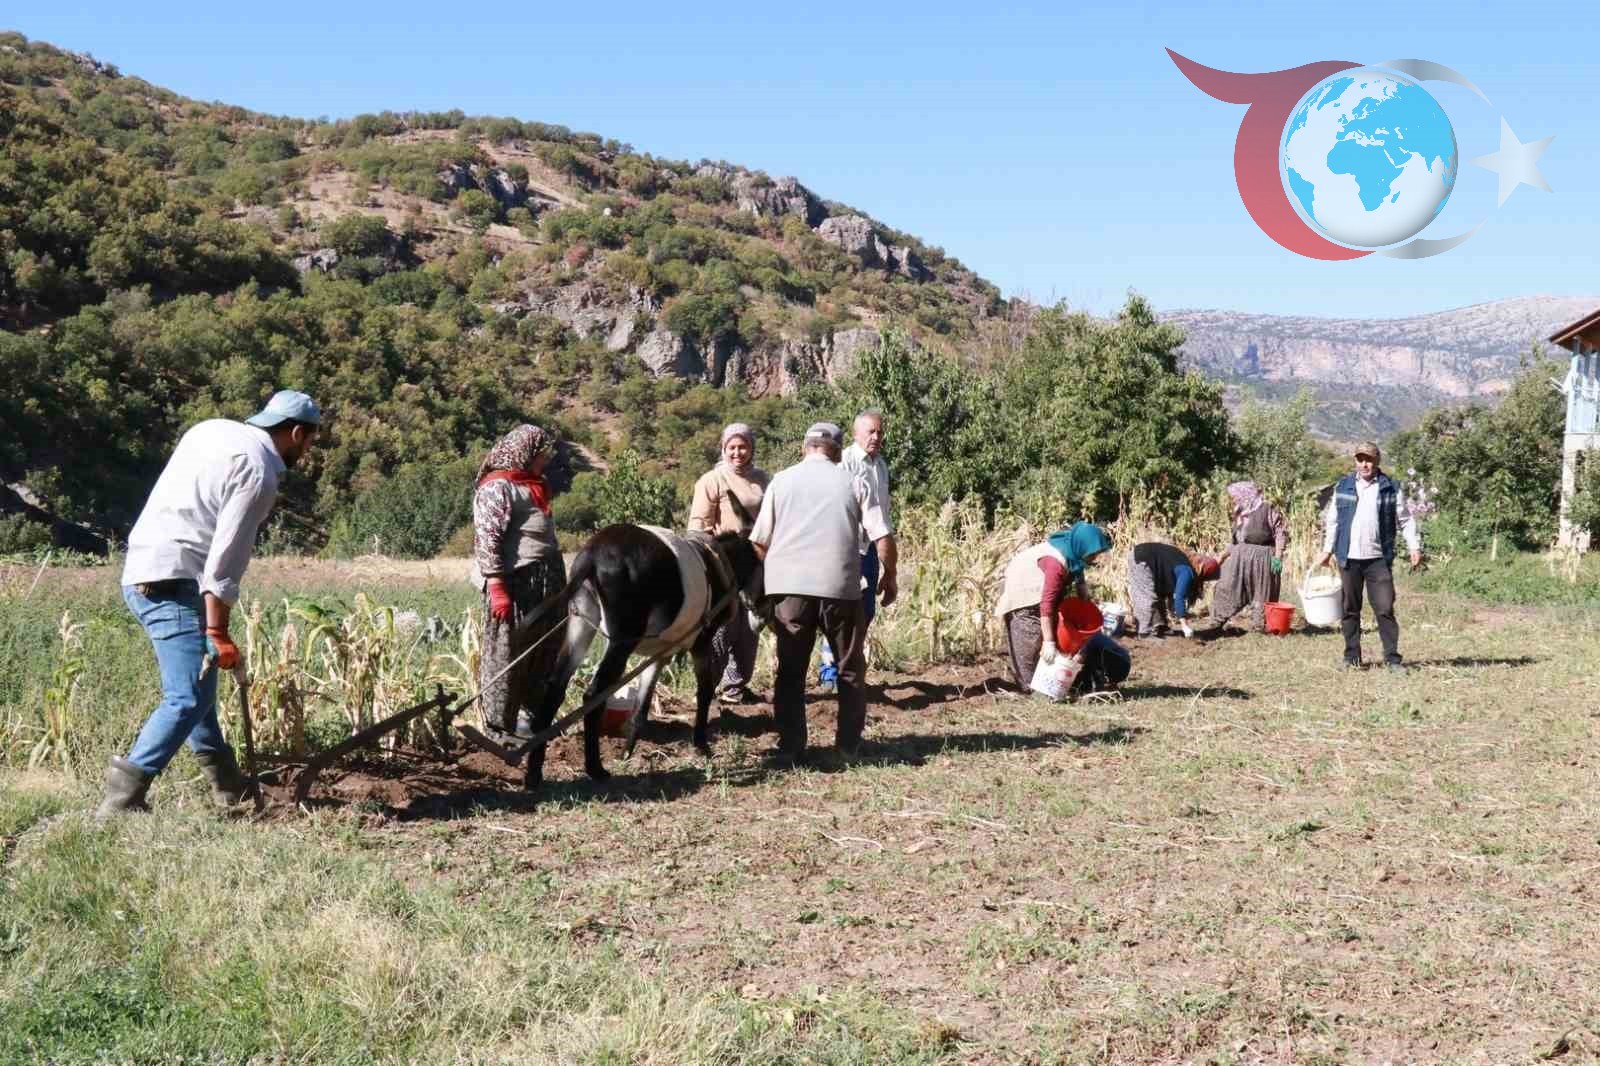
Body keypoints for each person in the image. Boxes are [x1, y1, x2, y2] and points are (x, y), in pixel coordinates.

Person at [99, 389, 322, 816]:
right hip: (174, 579)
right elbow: (224, 560)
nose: (308, 450)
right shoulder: (259, 471)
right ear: (295, 432)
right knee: (186, 697)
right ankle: (122, 799)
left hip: (144, 570)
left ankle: (230, 787)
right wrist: (217, 631)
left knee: (198, 690)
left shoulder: (211, 430)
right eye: (310, 441)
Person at [749, 422, 897, 764]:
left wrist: (772, 577)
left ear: (805, 447)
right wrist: (889, 577)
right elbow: (883, 536)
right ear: (837, 449)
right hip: (840, 588)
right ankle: (846, 747)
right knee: (848, 668)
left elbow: (758, 542)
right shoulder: (853, 480)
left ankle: (790, 746)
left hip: (790, 591)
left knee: (790, 671)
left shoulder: (781, 481)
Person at [472, 424, 567, 747]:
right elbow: (488, 539)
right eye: (541, 455)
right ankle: (499, 728)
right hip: (515, 582)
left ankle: (531, 721)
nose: (544, 462)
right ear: (525, 453)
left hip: (546, 581)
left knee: (544, 650)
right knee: (507, 652)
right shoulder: (497, 487)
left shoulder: (534, 485)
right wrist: (497, 586)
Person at [1313, 441, 1423, 669]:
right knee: (1350, 609)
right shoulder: (1342, 487)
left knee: (1384, 608)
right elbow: (1333, 522)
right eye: (1360, 459)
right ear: (1355, 461)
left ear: (1377, 461)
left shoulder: (1390, 487)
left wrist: (1414, 545)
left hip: (1378, 559)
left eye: (1369, 459)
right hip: (1348, 558)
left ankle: (1392, 659)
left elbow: (1405, 520)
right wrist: (1326, 550)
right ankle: (1351, 657)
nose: (1364, 464)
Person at [687, 422, 771, 706]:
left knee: (751, 626)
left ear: (751, 448)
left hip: (758, 564)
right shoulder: (712, 480)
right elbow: (697, 530)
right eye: (732, 447)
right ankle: (708, 688)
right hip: (725, 566)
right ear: (724, 448)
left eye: (743, 446)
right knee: (724, 626)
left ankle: (735, 686)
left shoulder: (763, 479)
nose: (738, 452)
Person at [994, 521, 1127, 692]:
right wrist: (1048, 642)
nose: (1094, 558)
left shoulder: (1072, 548)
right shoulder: (1055, 563)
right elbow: (1047, 604)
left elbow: (1076, 568)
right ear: (1082, 547)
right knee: (1029, 653)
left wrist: (1082, 590)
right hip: (1023, 595)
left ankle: (1057, 686)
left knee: (1057, 644)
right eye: (1092, 555)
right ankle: (1031, 691)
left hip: (1043, 596)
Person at [819, 409, 893, 691]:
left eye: (879, 432)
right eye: (870, 432)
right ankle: (830, 672)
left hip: (871, 546)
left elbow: (883, 512)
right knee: (839, 611)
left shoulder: (880, 465)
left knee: (865, 610)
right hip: (847, 547)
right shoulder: (845, 462)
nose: (876, 437)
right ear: (855, 434)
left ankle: (849, 665)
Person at [1208, 481, 1290, 633]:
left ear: (1246, 494)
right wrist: (1221, 557)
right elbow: (1235, 541)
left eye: (1235, 496)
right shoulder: (1240, 512)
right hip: (1240, 557)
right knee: (1226, 586)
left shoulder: (1267, 508)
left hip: (1263, 556)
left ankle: (1259, 626)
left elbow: (1280, 533)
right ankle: (1216, 621)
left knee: (1263, 591)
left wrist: (1278, 558)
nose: (1233, 499)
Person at [1127, 542, 1220, 639]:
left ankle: (1160, 626)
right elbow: (1179, 597)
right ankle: (1144, 633)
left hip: (1151, 560)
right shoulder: (1186, 571)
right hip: (1141, 558)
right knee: (1146, 596)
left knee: (1159, 593)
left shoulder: (1185, 563)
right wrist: (1185, 626)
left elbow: (1169, 591)